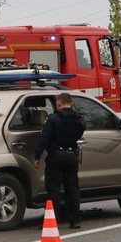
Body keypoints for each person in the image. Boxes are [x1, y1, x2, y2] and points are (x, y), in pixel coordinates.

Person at [34, 92, 86, 229]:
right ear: (71, 103)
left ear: (59, 104)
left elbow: (44, 139)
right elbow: (81, 129)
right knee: (72, 188)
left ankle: (54, 219)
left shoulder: (52, 119)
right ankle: (74, 221)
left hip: (55, 156)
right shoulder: (79, 119)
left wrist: (37, 156)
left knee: (53, 189)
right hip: (72, 155)